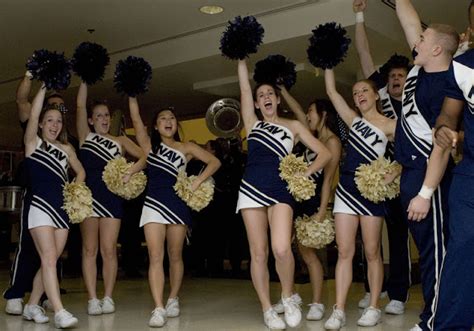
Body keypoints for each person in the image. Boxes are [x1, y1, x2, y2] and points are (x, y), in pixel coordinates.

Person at [236, 58, 331, 330]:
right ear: (255, 104)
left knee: (280, 248)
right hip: (251, 189)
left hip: (281, 190)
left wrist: (304, 172)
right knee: (258, 253)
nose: (265, 97)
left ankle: (288, 296)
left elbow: (324, 153)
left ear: (277, 100)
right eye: (260, 95)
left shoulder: (293, 127)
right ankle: (267, 308)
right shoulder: (252, 123)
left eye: (269, 94)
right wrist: (242, 59)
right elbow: (243, 89)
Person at [394, 1, 459, 330]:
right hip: (410, 174)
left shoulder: (447, 86)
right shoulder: (421, 68)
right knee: (426, 249)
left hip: (427, 178)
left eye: (423, 39)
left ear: (436, 48)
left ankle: (432, 321)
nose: (415, 41)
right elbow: (409, 22)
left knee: (436, 255)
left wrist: (424, 192)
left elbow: (442, 148)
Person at [128, 97, 221, 328]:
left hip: (177, 206)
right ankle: (158, 307)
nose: (168, 121)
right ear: (156, 126)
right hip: (153, 205)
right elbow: (136, 120)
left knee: (175, 254)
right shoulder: (150, 146)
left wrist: (198, 181)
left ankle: (172, 298)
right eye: (162, 119)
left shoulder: (186, 147)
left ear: (175, 124)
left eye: (171, 118)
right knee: (156, 256)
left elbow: (214, 162)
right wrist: (132, 94)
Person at [323, 68, 397, 329]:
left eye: (365, 90)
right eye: (355, 93)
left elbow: (406, 155)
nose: (360, 95)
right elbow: (331, 92)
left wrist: (391, 174)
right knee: (344, 251)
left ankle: (375, 306)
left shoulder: (390, 125)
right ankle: (339, 310)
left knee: (372, 251)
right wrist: (328, 62)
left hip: (371, 191)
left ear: (376, 95)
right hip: (346, 188)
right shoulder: (353, 121)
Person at [353, 0, 411, 314]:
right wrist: (359, 16)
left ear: (409, 78)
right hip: (375, 178)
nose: (395, 79)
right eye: (392, 76)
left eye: (401, 75)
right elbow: (364, 55)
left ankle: (398, 294)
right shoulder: (382, 99)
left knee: (399, 236)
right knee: (369, 233)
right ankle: (373, 288)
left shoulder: (416, 102)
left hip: (404, 177)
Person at [4, 71, 71, 315]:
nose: (57, 117)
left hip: (59, 203)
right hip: (35, 197)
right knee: (29, 247)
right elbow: (23, 100)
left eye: (61, 112)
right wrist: (32, 77)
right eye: (52, 111)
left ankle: (41, 298)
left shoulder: (65, 142)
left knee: (52, 255)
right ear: (43, 117)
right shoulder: (33, 131)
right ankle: (15, 293)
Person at [76, 82, 146, 315]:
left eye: (106, 115)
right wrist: (85, 79)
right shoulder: (85, 137)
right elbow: (78, 105)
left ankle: (107, 297)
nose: (104, 119)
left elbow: (144, 157)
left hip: (112, 200)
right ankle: (92, 299)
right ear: (90, 120)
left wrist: (130, 172)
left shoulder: (121, 141)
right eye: (98, 116)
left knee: (109, 250)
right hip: (87, 200)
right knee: (89, 249)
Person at [275, 86, 341, 321]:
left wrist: (322, 210)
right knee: (286, 250)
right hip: (295, 199)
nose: (307, 115)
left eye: (312, 111)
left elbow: (328, 182)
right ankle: (289, 295)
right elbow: (298, 112)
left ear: (323, 114)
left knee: (310, 254)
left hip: (313, 201)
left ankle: (317, 302)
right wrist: (283, 91)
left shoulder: (332, 142)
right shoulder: (312, 138)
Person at [22, 84, 85, 328]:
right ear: (40, 123)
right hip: (40, 207)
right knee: (48, 257)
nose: (54, 125)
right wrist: (42, 88)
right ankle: (59, 311)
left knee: (51, 259)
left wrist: (74, 191)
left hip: (62, 210)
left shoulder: (67, 148)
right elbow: (34, 112)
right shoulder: (33, 143)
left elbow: (80, 172)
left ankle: (31, 305)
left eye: (58, 121)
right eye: (49, 120)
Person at [429, 45, 474, 330]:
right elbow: (448, 113)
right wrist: (443, 127)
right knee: (462, 243)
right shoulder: (463, 66)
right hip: (470, 170)